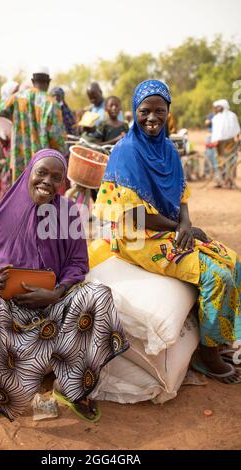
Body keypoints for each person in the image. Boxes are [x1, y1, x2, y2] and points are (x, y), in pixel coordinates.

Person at [0, 149, 128, 438]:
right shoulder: (3, 212)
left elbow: (78, 264)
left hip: (54, 303)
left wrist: (55, 293)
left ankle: (73, 387)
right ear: (29, 171)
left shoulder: (67, 213)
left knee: (98, 295)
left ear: (62, 183)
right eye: (42, 173)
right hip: (12, 306)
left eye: (56, 177)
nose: (47, 181)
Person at [93, 79, 241, 384]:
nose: (152, 118)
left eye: (159, 111)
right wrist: (179, 227)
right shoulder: (126, 152)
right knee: (216, 276)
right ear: (135, 111)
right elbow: (133, 217)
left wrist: (185, 224)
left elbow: (182, 197)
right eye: (145, 111)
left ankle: (222, 338)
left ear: (168, 112)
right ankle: (207, 355)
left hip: (170, 229)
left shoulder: (168, 149)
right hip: (137, 239)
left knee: (233, 261)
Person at [0, 68, 66, 182]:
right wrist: (63, 154)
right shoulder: (51, 103)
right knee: (40, 194)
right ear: (48, 82)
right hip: (42, 160)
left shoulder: (17, 97)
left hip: (19, 158)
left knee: (20, 191)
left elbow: (0, 110)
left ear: (33, 81)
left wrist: (17, 118)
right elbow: (57, 137)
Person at [211, 99, 240, 189]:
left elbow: (237, 129)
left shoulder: (232, 116)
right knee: (220, 162)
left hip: (231, 142)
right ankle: (220, 180)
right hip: (219, 144)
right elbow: (216, 132)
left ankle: (230, 181)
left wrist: (238, 140)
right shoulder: (216, 118)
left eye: (218, 107)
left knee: (232, 162)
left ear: (223, 107)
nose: (216, 109)